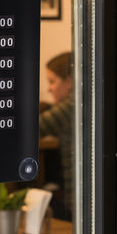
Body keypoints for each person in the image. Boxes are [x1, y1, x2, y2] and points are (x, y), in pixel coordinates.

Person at [39, 52, 73, 221]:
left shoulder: (72, 106)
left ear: (69, 82)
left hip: (78, 201)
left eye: (52, 81)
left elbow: (36, 128)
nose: (49, 89)